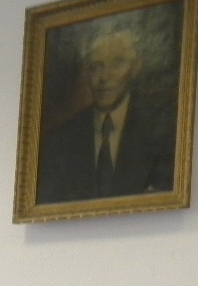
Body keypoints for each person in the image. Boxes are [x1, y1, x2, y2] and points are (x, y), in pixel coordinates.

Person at [36, 30, 176, 204]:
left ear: (135, 67)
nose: (104, 77)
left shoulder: (163, 130)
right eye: (96, 67)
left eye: (116, 64)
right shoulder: (58, 140)